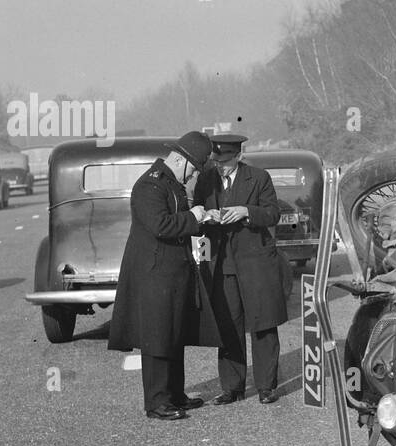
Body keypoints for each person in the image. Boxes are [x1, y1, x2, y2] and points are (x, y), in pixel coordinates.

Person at [108, 131, 215, 421]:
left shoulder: (171, 183)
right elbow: (161, 225)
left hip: (174, 271)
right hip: (154, 274)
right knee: (157, 335)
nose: (193, 175)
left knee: (174, 334)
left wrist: (199, 219)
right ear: (180, 159)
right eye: (193, 169)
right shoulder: (150, 186)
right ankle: (156, 402)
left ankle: (175, 394)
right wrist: (194, 217)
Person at [193, 133, 289, 405]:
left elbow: (272, 213)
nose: (219, 165)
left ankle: (266, 386)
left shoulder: (259, 178)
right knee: (227, 325)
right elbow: (197, 210)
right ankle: (231, 387)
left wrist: (246, 211)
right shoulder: (206, 179)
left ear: (238, 157)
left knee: (263, 323)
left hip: (256, 262)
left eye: (225, 161)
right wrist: (207, 216)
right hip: (222, 263)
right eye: (216, 160)